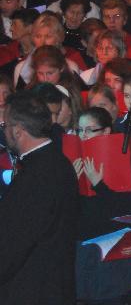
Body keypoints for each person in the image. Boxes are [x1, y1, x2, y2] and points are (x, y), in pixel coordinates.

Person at [0, 92, 79, 303]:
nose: (3, 131)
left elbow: (16, 241)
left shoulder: (37, 175)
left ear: (18, 131)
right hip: (51, 287)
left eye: (5, 126)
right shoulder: (58, 163)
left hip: (31, 290)